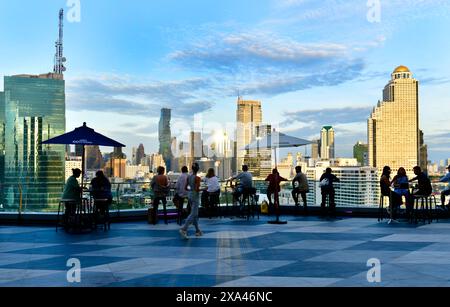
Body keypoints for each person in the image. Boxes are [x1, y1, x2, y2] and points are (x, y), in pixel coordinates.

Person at [179, 163, 202, 239]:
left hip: (190, 195)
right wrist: (204, 189)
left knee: (194, 214)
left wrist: (191, 190)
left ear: (192, 169)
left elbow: (186, 187)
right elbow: (197, 189)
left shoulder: (189, 177)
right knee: (193, 214)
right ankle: (184, 229)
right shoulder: (197, 178)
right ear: (198, 169)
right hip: (195, 196)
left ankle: (197, 231)